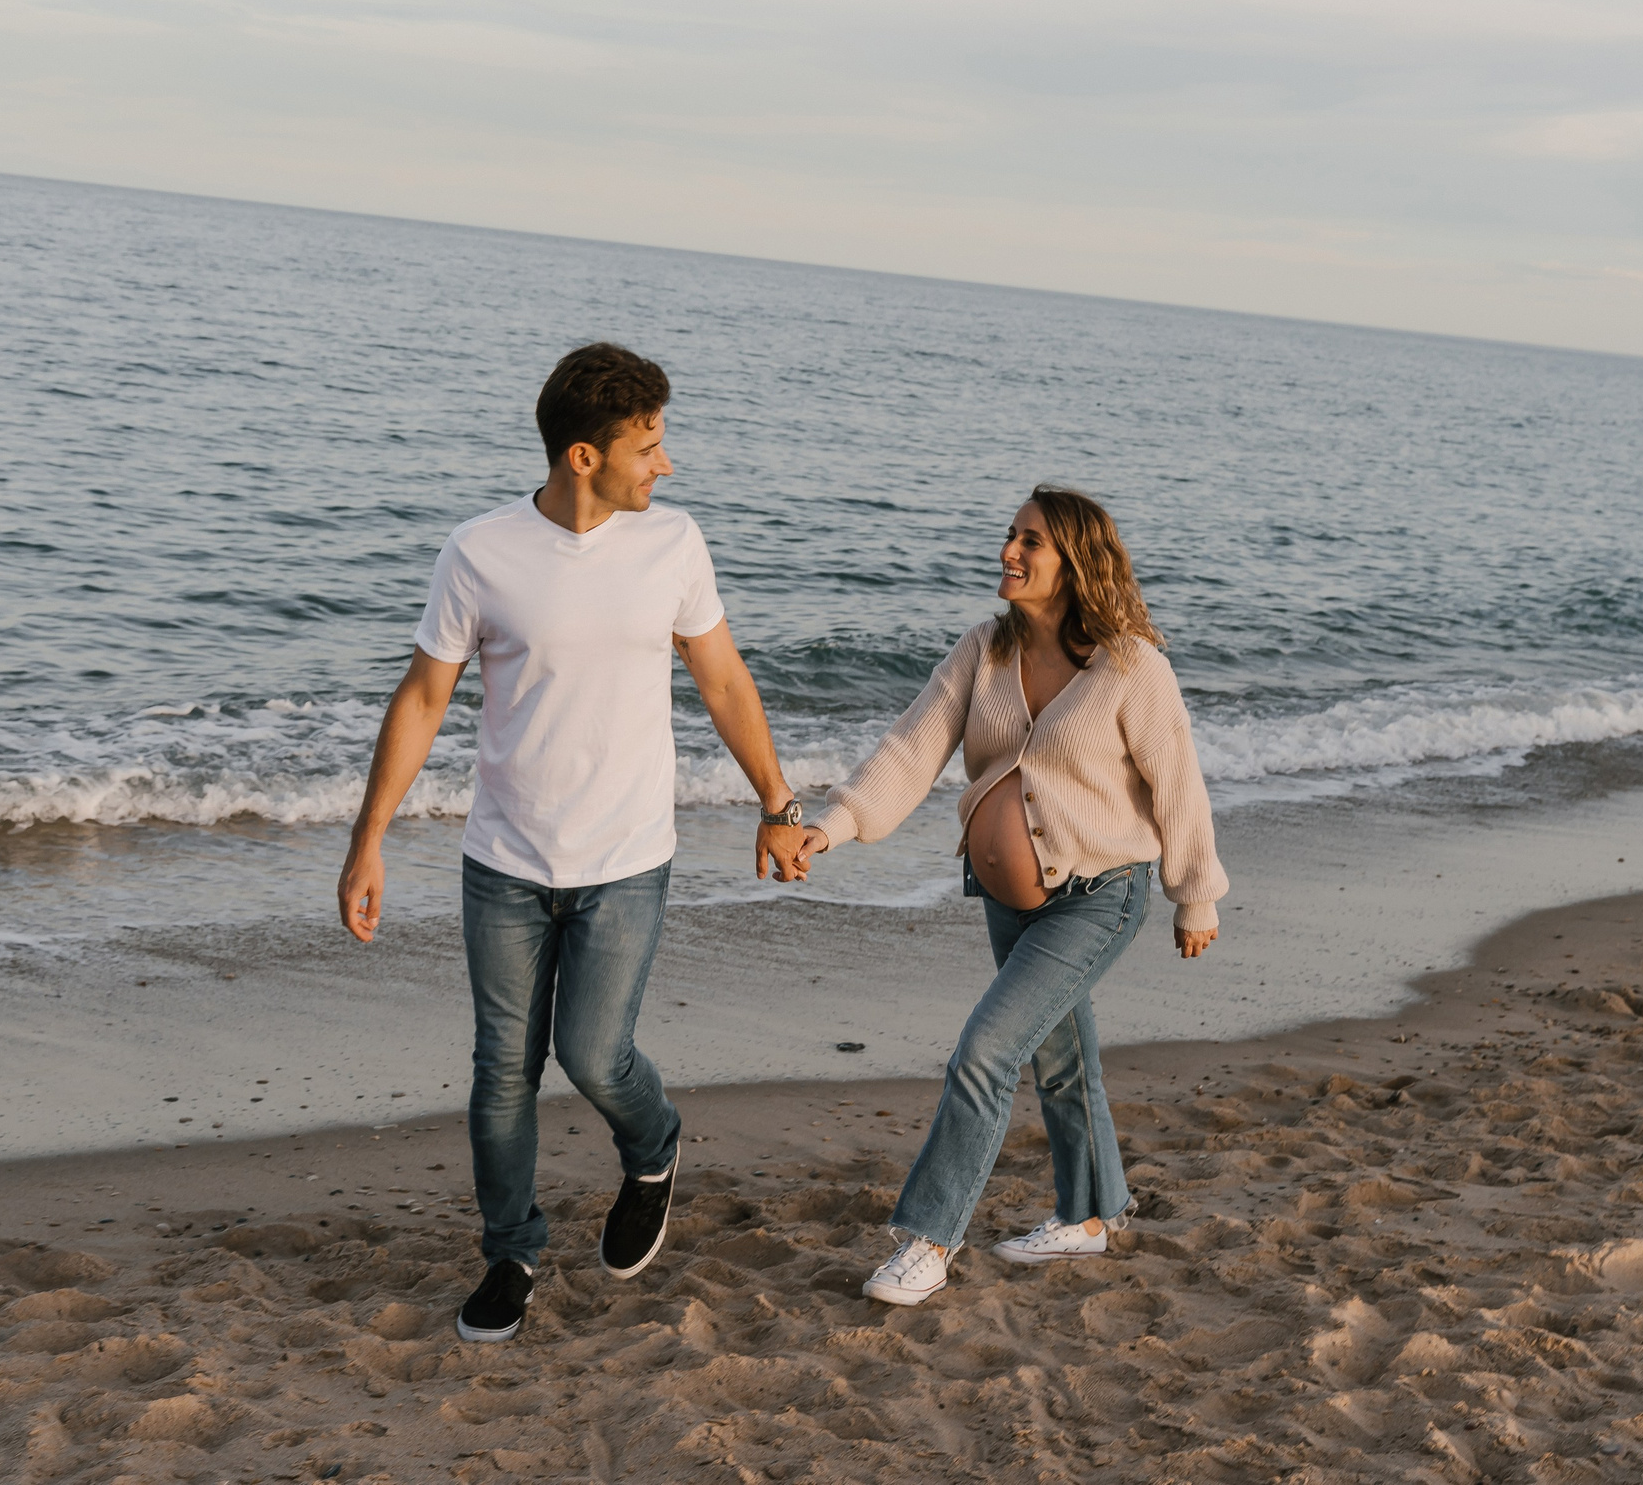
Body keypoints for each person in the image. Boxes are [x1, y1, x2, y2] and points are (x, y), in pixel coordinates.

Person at [336, 342, 811, 1346]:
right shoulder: (479, 552)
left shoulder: (674, 543)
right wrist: (368, 839)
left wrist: (777, 800)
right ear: (584, 456)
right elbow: (422, 698)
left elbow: (723, 679)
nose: (666, 463)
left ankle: (654, 1142)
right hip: (504, 862)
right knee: (501, 1070)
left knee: (593, 1053)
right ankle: (511, 1253)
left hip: (627, 858)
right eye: (649, 445)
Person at [793, 485, 1226, 1306]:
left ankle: (929, 1240)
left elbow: (1178, 782)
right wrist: (833, 825)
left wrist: (1195, 893)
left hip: (1100, 895)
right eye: (1010, 535)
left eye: (1030, 542)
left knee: (985, 1053)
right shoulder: (984, 650)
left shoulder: (1132, 666)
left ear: (1076, 562)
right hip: (1010, 901)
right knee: (1061, 1061)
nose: (1008, 553)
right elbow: (910, 749)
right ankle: (1090, 1216)